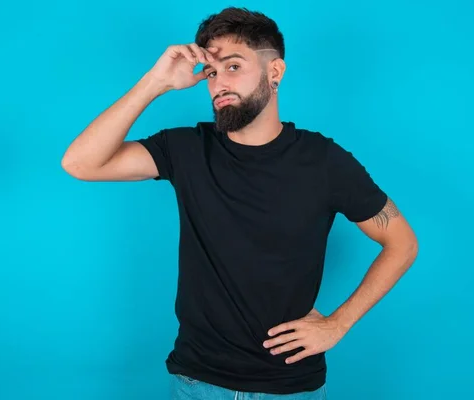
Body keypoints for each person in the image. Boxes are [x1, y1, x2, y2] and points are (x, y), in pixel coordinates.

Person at [61, 7, 418, 400]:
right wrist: (154, 82)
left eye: (233, 67)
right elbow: (80, 162)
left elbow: (402, 242)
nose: (218, 84)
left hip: (290, 388)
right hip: (196, 382)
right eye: (212, 73)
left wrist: (338, 323)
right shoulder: (186, 149)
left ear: (275, 72)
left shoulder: (324, 161)